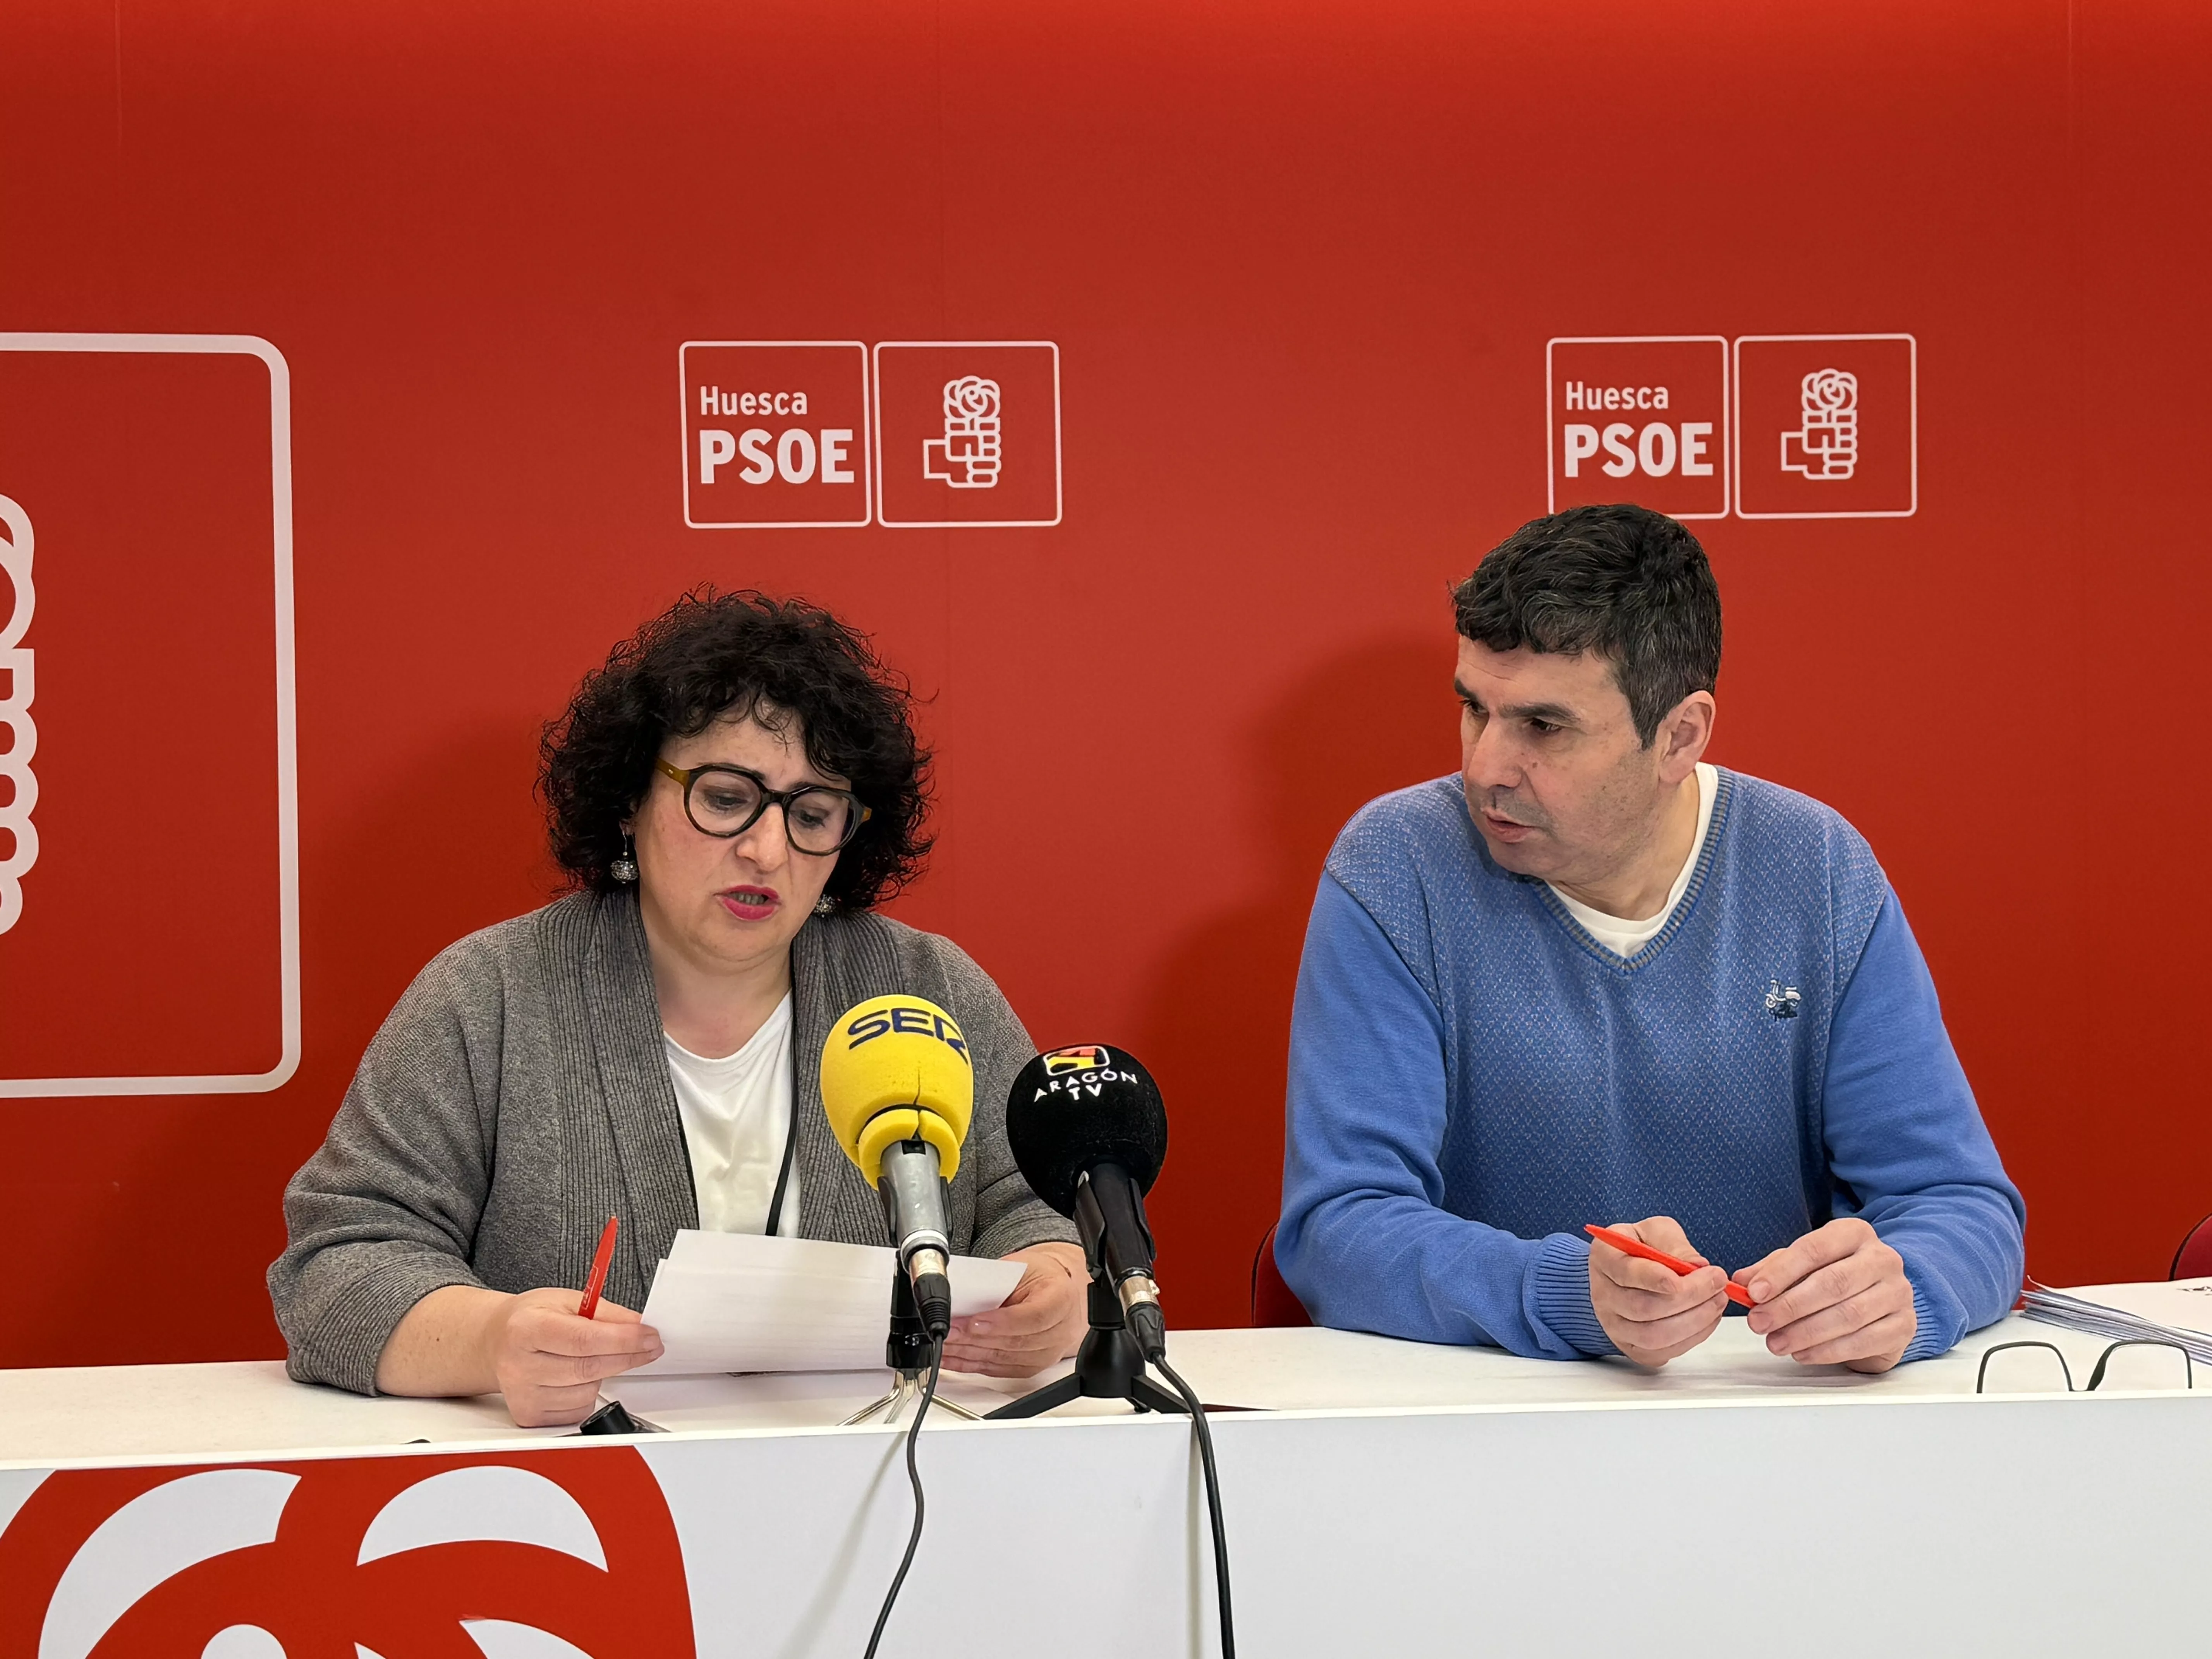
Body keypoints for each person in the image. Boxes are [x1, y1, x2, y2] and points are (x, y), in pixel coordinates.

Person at [270, 591, 1087, 1424]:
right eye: (727, 798)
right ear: (631, 798)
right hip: (584, 1499)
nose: (767, 851)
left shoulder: (926, 989)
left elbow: (1040, 1207)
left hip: (889, 1485)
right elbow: (338, 1268)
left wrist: (1057, 1287)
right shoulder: (492, 993)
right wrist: (494, 1337)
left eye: (812, 815)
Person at [1275, 505, 2025, 1372]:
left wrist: (1907, 1294)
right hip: (1489, 1426)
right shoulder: (1396, 865)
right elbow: (1339, 1228)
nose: (1484, 766)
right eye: (1474, 708)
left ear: (1679, 736)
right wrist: (1566, 1296)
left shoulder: (1815, 868)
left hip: (1774, 1418)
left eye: (1543, 727)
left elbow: (1961, 1202)